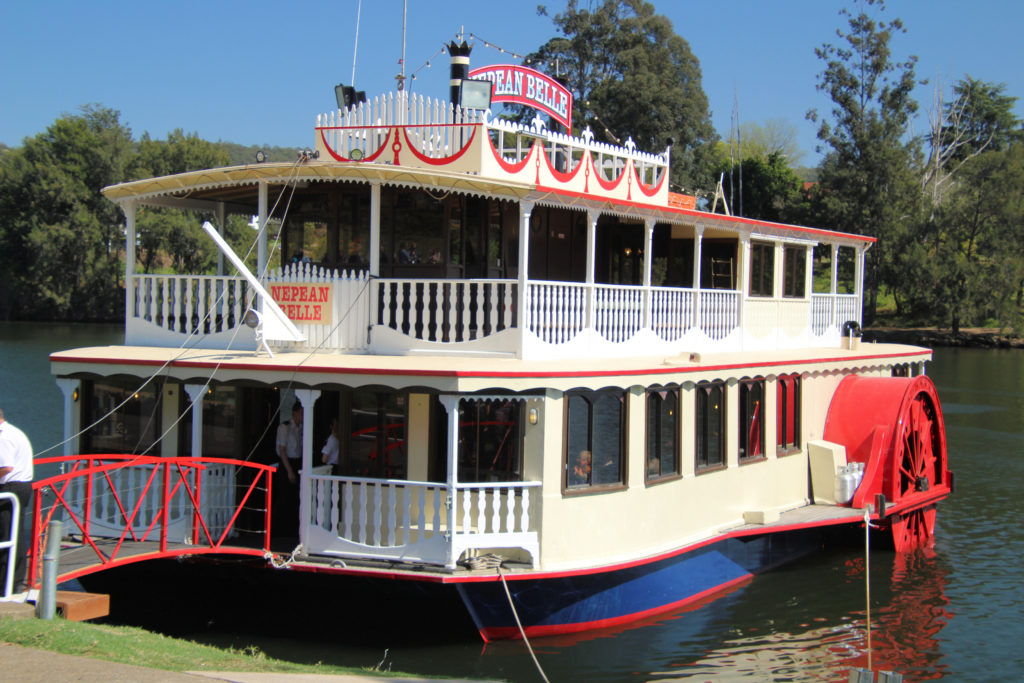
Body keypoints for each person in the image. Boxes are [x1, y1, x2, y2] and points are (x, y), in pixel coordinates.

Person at [0, 408, 34, 595]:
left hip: (11, 489)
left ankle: (7, 584)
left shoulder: (3, 437)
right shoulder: (14, 431)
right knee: (14, 533)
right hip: (21, 486)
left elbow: (5, 467)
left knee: (7, 534)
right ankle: (14, 582)